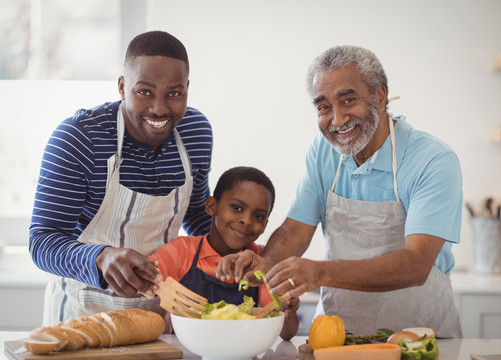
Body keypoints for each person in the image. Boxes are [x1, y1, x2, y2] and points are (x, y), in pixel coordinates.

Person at [216, 45, 463, 338]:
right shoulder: (323, 151)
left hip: (421, 338)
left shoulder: (432, 160)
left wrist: (319, 273)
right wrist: (267, 265)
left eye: (348, 100)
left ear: (380, 97)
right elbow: (296, 228)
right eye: (324, 107)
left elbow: (416, 265)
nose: (338, 119)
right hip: (337, 337)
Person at [29, 30, 213, 325]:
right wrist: (101, 257)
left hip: (159, 317)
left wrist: (235, 256)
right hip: (82, 316)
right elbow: (42, 241)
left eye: (174, 93)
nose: (159, 108)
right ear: (121, 86)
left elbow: (197, 219)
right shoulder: (79, 138)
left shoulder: (196, 133)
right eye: (144, 91)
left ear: (187, 89)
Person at [149, 166, 299, 340]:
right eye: (237, 207)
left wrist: (288, 310)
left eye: (258, 216)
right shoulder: (182, 251)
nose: (246, 220)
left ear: (265, 225)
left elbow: (287, 333)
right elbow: (146, 274)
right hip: (184, 351)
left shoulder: (261, 261)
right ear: (211, 206)